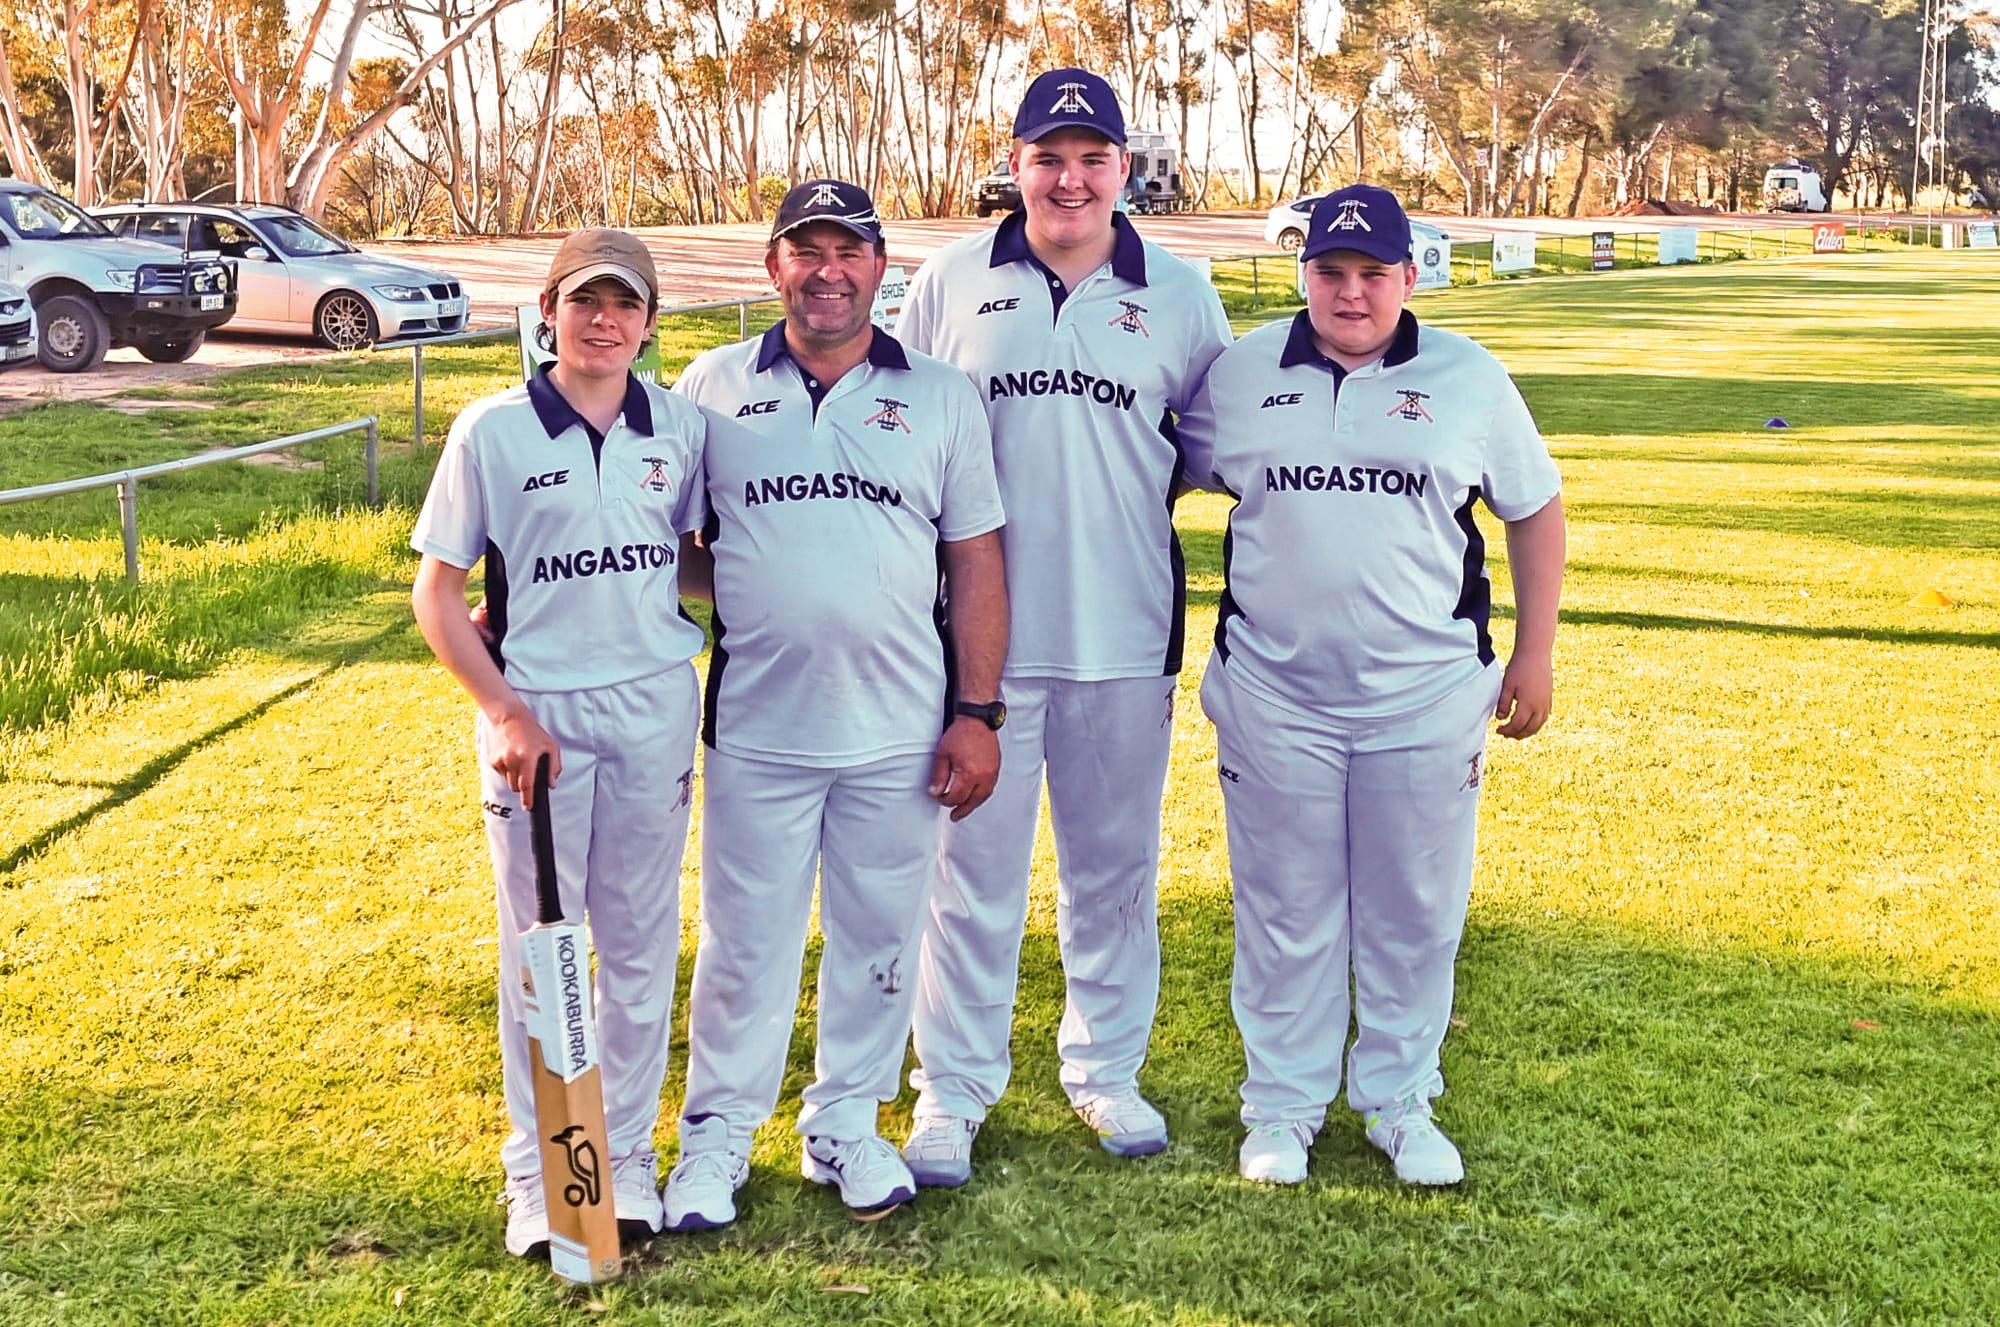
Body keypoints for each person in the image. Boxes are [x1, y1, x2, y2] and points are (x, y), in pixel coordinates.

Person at [1175, 184, 1566, 1187]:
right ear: (1304, 270)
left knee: (1413, 907)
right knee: (1282, 906)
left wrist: (1532, 652)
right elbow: (1160, 474)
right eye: (1329, 271)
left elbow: (1534, 505)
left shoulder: (1467, 377)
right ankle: (1281, 1109)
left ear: (1407, 274)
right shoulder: (1240, 371)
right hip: (1272, 694)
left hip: (1423, 696)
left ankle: (1399, 1102)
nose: (1349, 293)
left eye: (1371, 273)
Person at [894, 67, 1232, 1185]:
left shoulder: (1179, 293)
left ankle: (1105, 1071)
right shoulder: (948, 280)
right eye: (1048, 156)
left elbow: (1205, 443)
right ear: (1015, 163)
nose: (1070, 178)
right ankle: (950, 1092)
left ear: (1123, 170)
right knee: (967, 875)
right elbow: (905, 445)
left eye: (1092, 158)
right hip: (976, 652)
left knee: (1111, 871)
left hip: (1124, 634)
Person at [661, 180, 1009, 1227]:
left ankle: (845, 1123)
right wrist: (769, 589)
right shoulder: (710, 386)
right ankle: (716, 1137)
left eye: (846, 250)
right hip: (759, 727)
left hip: (897, 730)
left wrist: (977, 711)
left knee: (877, 939)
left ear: (879, 265)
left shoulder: (943, 395)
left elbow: (976, 557)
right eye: (803, 249)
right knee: (743, 940)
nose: (826, 270)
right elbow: (667, 545)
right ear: (773, 267)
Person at [409, 228, 705, 1255]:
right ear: (548, 311)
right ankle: (542, 1176)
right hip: (539, 719)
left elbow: (694, 560)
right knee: (547, 951)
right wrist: (502, 710)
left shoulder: (679, 427)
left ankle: (623, 1160)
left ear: (650, 323)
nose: (603, 321)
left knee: (633, 942)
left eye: (625, 305)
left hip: (654, 704)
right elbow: (436, 594)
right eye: (584, 302)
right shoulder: (489, 430)